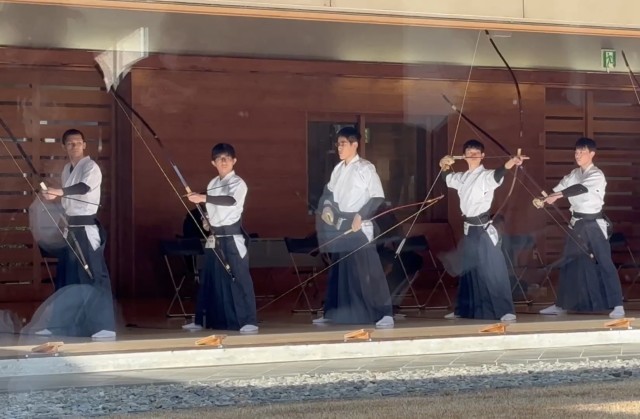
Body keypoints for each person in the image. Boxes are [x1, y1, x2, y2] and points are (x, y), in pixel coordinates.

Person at [36, 128, 116, 339]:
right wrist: (54, 196)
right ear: (64, 146)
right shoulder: (66, 169)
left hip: (86, 229)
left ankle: (104, 326)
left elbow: (83, 188)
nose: (75, 146)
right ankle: (59, 325)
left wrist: (59, 192)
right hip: (71, 228)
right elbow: (68, 198)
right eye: (70, 143)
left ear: (84, 145)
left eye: (79, 142)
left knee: (92, 276)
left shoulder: (91, 167)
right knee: (67, 278)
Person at [313, 126, 394, 328]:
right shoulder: (338, 169)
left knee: (368, 270)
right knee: (339, 270)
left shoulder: (365, 168)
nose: (339, 148)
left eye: (343, 144)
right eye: (338, 144)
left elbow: (377, 196)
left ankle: (384, 313)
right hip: (341, 224)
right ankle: (333, 312)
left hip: (359, 225)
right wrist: (328, 207)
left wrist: (361, 215)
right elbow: (329, 193)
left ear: (354, 144)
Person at [536, 137, 624, 319]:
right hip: (576, 223)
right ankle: (561, 304)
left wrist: (557, 196)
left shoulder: (596, 175)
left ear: (592, 154)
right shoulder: (574, 173)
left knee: (604, 262)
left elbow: (579, 189)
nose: (578, 155)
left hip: (593, 223)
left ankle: (618, 305)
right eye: (576, 152)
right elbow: (559, 189)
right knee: (568, 263)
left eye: (582, 152)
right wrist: (545, 199)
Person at [439, 139, 522, 321]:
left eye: (477, 152)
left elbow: (499, 173)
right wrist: (443, 164)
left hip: (483, 228)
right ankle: (463, 310)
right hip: (469, 228)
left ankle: (505, 310)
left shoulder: (486, 176)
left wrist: (511, 162)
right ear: (464, 156)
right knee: (467, 270)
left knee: (493, 268)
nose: (473, 155)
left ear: (483, 156)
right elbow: (447, 178)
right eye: (470, 152)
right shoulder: (462, 177)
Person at [182, 143, 259, 333]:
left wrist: (203, 198)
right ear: (213, 163)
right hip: (215, 237)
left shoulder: (239, 183)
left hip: (232, 237)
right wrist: (206, 220)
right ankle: (202, 320)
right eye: (219, 159)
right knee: (208, 279)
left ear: (234, 161)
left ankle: (248, 320)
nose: (223, 162)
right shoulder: (212, 184)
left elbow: (230, 201)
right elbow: (211, 209)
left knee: (239, 277)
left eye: (227, 158)